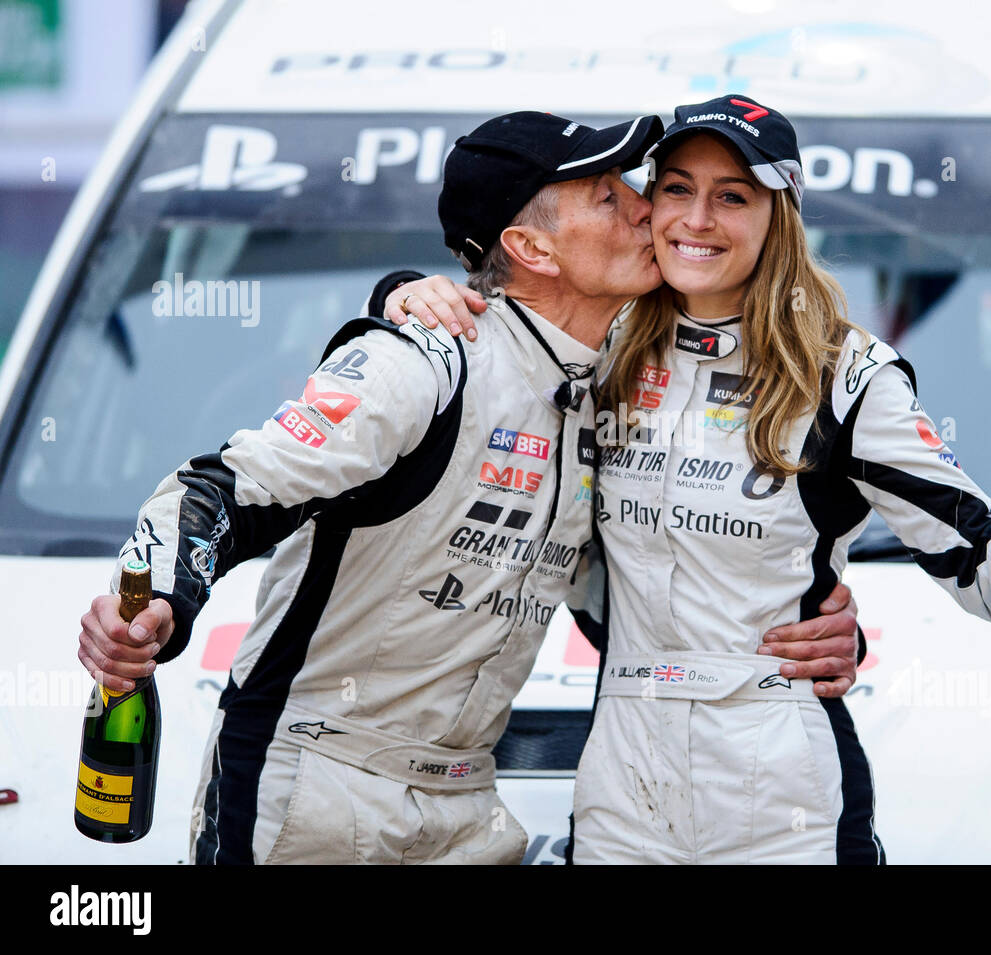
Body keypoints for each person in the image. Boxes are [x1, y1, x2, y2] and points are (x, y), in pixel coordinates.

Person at [75, 108, 857, 865]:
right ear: (531, 247)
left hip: (467, 806)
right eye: (610, 197)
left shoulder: (612, 385)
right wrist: (154, 606)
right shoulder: (427, 360)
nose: (648, 209)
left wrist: (798, 628)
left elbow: (640, 590)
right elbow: (218, 488)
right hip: (315, 792)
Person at [381, 94, 991, 865]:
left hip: (784, 805)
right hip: (622, 800)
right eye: (676, 188)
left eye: (732, 196)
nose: (696, 218)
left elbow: (990, 582)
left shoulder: (846, 377)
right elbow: (487, 339)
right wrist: (402, 295)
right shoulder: (597, 351)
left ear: (778, 216)